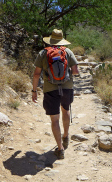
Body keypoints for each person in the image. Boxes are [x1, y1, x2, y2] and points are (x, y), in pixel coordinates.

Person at [32, 29, 79, 159]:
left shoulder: (43, 53)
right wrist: (66, 72)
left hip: (50, 89)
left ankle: (60, 148)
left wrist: (34, 90)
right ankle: (66, 136)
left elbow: (36, 74)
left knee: (54, 119)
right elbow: (75, 71)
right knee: (65, 110)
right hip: (67, 88)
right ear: (62, 40)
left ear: (51, 39)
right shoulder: (67, 52)